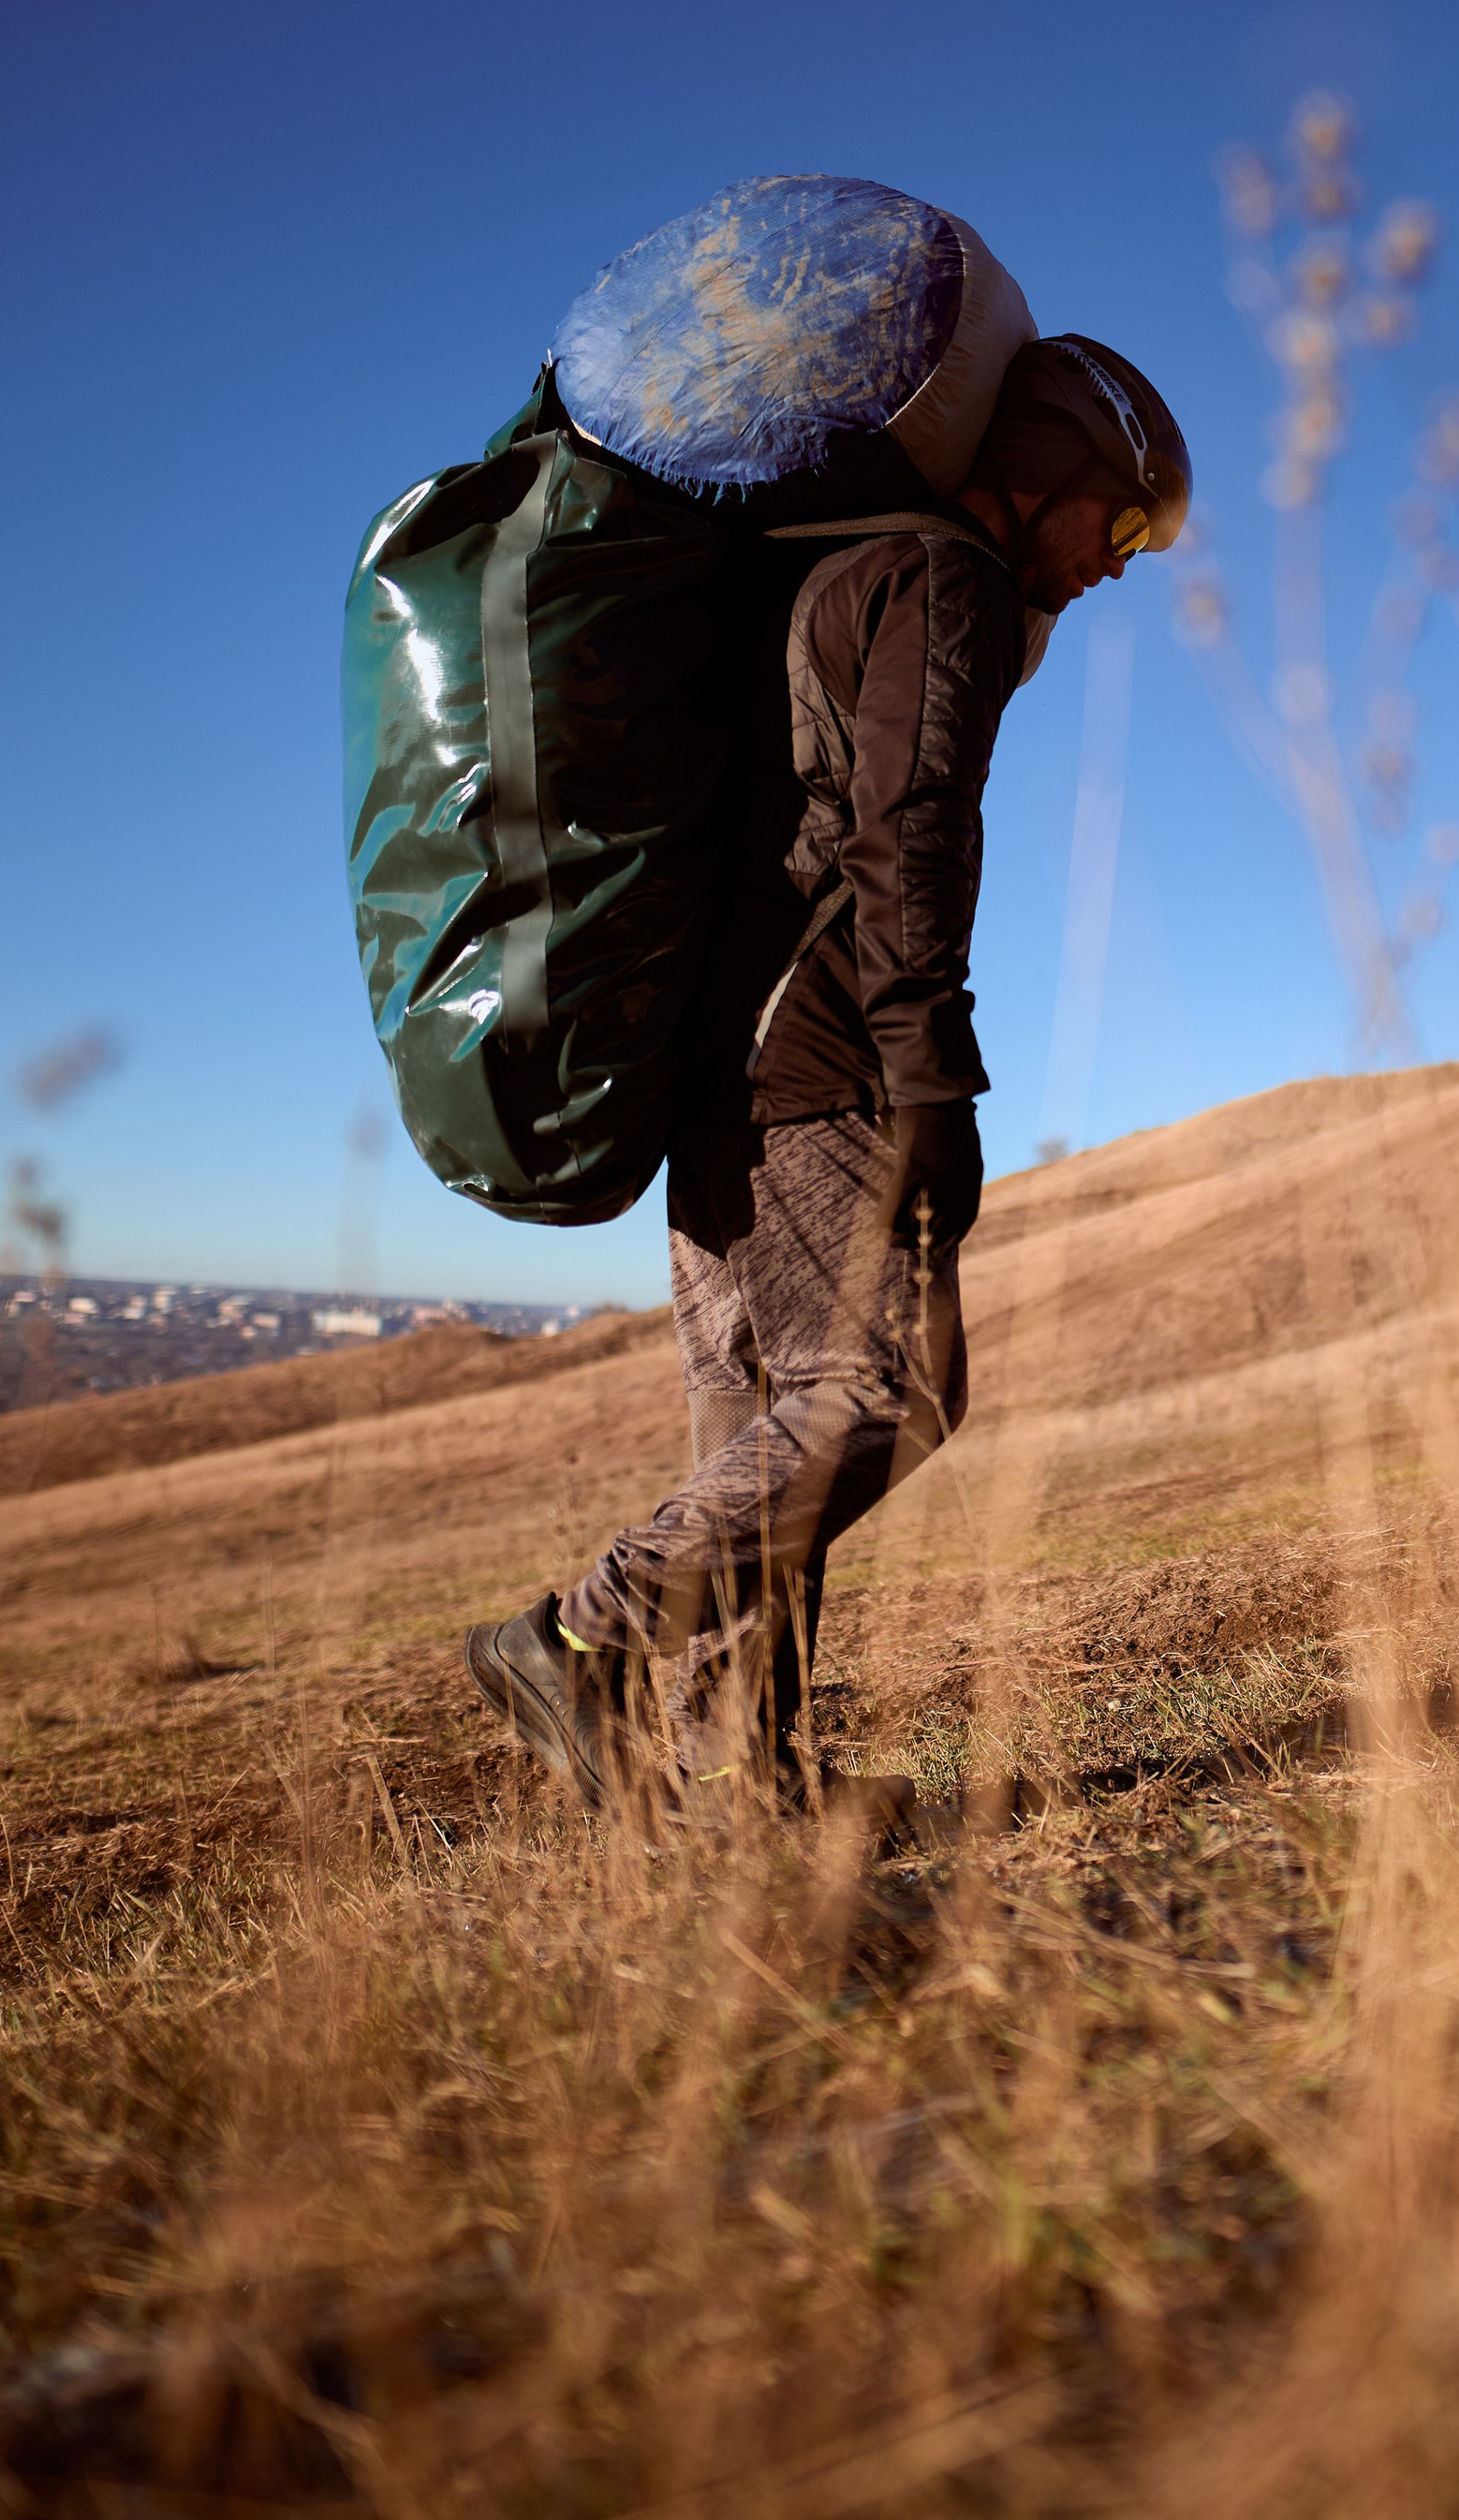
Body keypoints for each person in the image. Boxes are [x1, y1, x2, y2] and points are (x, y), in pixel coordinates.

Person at [463, 330, 1190, 1808]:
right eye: (1118, 522)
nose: (1119, 565)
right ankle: (582, 1635)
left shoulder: (818, 570)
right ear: (1049, 472)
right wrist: (933, 1080)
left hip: (701, 1073)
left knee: (756, 1430)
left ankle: (742, 1782)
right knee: (889, 1388)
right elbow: (906, 836)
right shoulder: (946, 582)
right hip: (817, 1063)